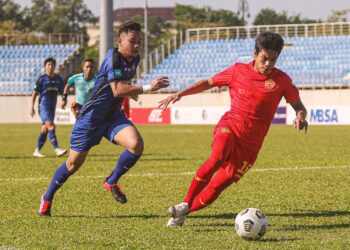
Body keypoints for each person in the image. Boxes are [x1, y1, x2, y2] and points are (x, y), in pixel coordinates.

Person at [158, 31, 309, 227]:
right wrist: (180, 93)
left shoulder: (282, 80)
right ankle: (185, 201)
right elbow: (209, 82)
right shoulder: (237, 70)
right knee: (217, 157)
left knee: (217, 187)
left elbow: (299, 106)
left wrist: (300, 116)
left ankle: (185, 211)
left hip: (251, 145)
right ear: (255, 54)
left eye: (273, 60)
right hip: (230, 126)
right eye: (264, 59)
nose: (268, 64)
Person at [38, 21, 169, 216]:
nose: (136, 45)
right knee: (72, 165)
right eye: (132, 41)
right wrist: (148, 87)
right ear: (120, 41)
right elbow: (117, 90)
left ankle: (111, 181)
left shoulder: (134, 59)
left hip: (113, 116)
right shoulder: (113, 58)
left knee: (136, 144)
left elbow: (122, 84)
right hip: (91, 118)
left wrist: (130, 92)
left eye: (139, 42)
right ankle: (47, 197)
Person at [30, 57, 68, 158]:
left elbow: (63, 91)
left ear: (55, 66)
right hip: (43, 107)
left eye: (52, 65)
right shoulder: (41, 79)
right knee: (51, 126)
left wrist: (64, 100)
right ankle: (57, 149)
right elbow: (34, 93)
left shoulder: (58, 79)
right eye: (48, 65)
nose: (50, 66)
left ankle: (37, 151)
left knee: (45, 129)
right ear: (45, 67)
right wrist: (31, 107)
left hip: (52, 108)